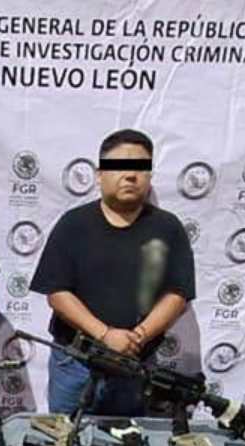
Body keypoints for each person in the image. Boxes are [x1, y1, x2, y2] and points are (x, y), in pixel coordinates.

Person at [30, 128, 195, 416]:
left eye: (139, 168)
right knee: (64, 437)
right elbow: (57, 293)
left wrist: (137, 337)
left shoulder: (168, 228)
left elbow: (177, 296)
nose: (130, 175)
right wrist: (105, 335)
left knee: (129, 438)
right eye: (119, 166)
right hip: (75, 363)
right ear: (99, 175)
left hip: (136, 363)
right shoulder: (73, 224)